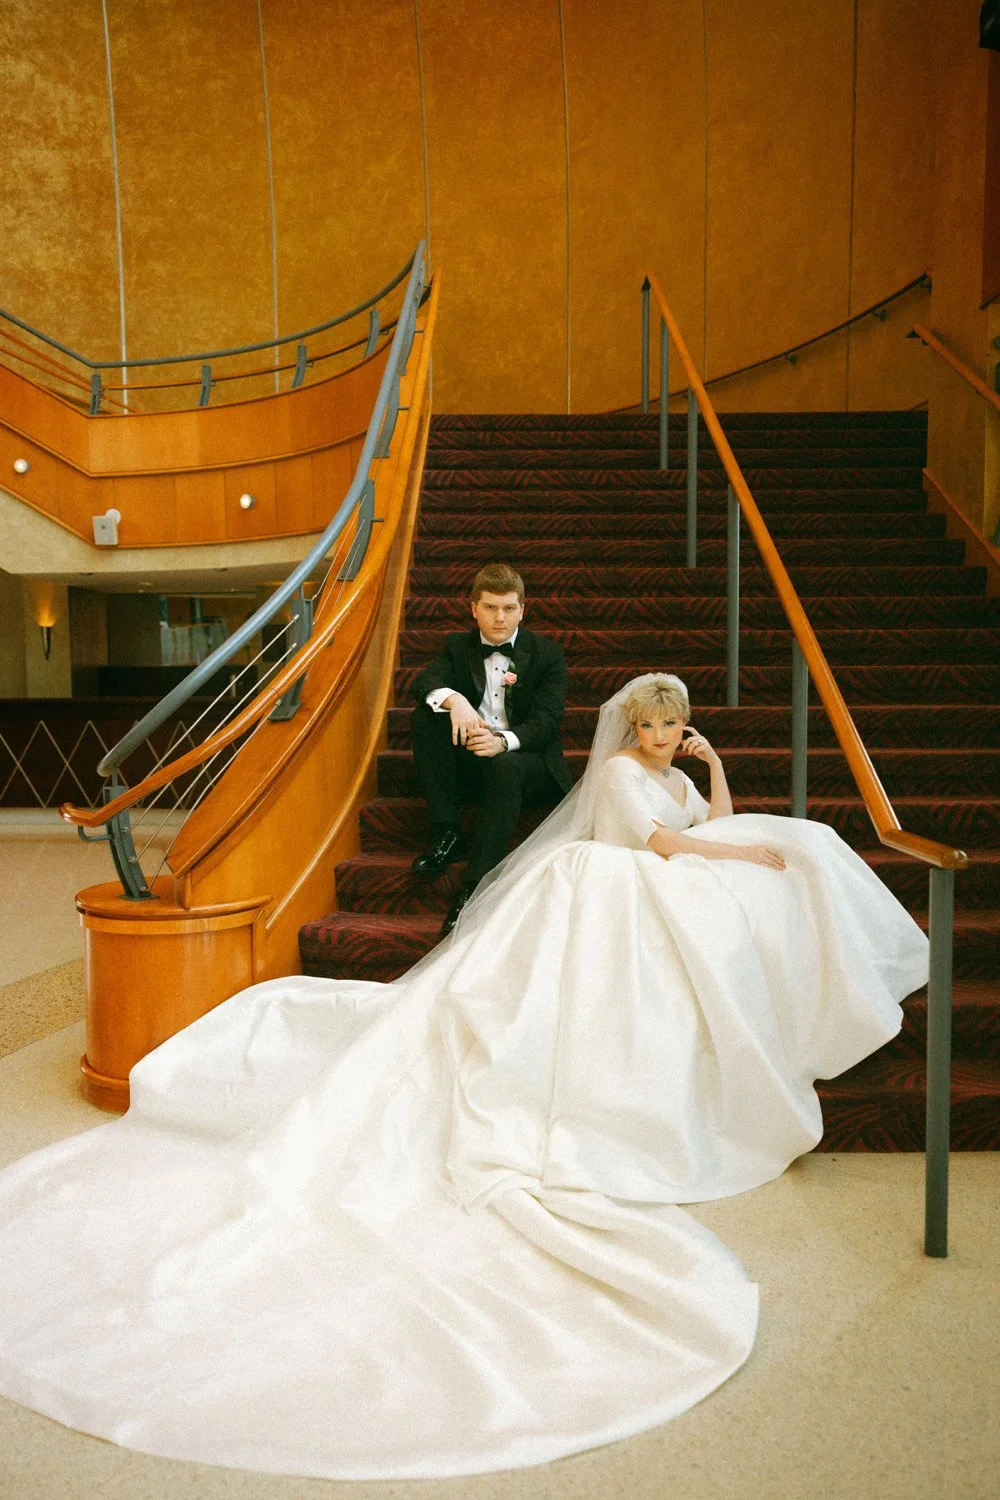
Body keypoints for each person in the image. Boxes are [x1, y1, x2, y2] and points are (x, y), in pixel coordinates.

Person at [0, 674, 928, 1481]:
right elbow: (665, 849)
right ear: (630, 729)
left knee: (771, 870)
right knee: (706, 902)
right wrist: (734, 851)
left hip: (660, 881)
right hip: (611, 887)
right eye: (651, 726)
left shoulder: (684, 773)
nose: (659, 738)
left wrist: (716, 768)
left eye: (671, 725)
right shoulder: (616, 776)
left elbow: (708, 818)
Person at [410, 561, 572, 933]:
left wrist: (502, 742)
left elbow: (547, 723)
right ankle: (447, 833)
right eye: (490, 607)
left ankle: (473, 886)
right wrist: (456, 701)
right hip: (475, 758)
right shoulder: (457, 646)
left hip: (528, 765)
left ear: (522, 610)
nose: (500, 618)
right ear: (474, 609)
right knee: (425, 717)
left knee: (507, 766)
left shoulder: (547, 654)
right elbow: (425, 682)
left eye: (509, 608)